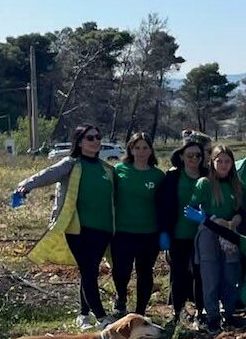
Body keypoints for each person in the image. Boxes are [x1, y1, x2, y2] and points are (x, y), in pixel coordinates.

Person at [13, 124, 117, 328]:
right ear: (79, 142)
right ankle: (102, 317)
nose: (96, 141)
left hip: (103, 229)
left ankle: (83, 314)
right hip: (77, 229)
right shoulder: (71, 164)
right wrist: (26, 186)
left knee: (91, 271)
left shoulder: (108, 169)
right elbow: (47, 174)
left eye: (98, 137)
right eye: (90, 138)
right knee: (87, 270)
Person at [111, 132, 165, 317]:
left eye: (145, 148)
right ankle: (121, 300)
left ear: (151, 150)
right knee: (121, 271)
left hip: (149, 233)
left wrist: (164, 232)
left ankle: (140, 311)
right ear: (130, 149)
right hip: (122, 232)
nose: (141, 152)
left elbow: (164, 205)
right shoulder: (119, 171)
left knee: (145, 272)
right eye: (137, 148)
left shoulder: (158, 175)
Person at [192, 145, 244, 331]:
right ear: (212, 163)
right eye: (219, 161)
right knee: (211, 276)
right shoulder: (204, 183)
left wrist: (236, 218)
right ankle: (212, 316)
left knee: (230, 275)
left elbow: (239, 210)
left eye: (227, 161)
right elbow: (193, 209)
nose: (223, 165)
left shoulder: (235, 185)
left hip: (229, 234)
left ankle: (228, 314)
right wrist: (213, 219)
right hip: (209, 233)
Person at [156, 138, 207, 327]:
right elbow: (162, 206)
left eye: (198, 155)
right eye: (190, 155)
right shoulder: (172, 177)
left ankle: (200, 312)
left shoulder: (208, 175)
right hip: (178, 234)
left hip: (202, 234)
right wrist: (163, 232)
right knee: (178, 274)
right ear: (181, 157)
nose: (194, 158)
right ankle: (177, 312)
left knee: (200, 274)